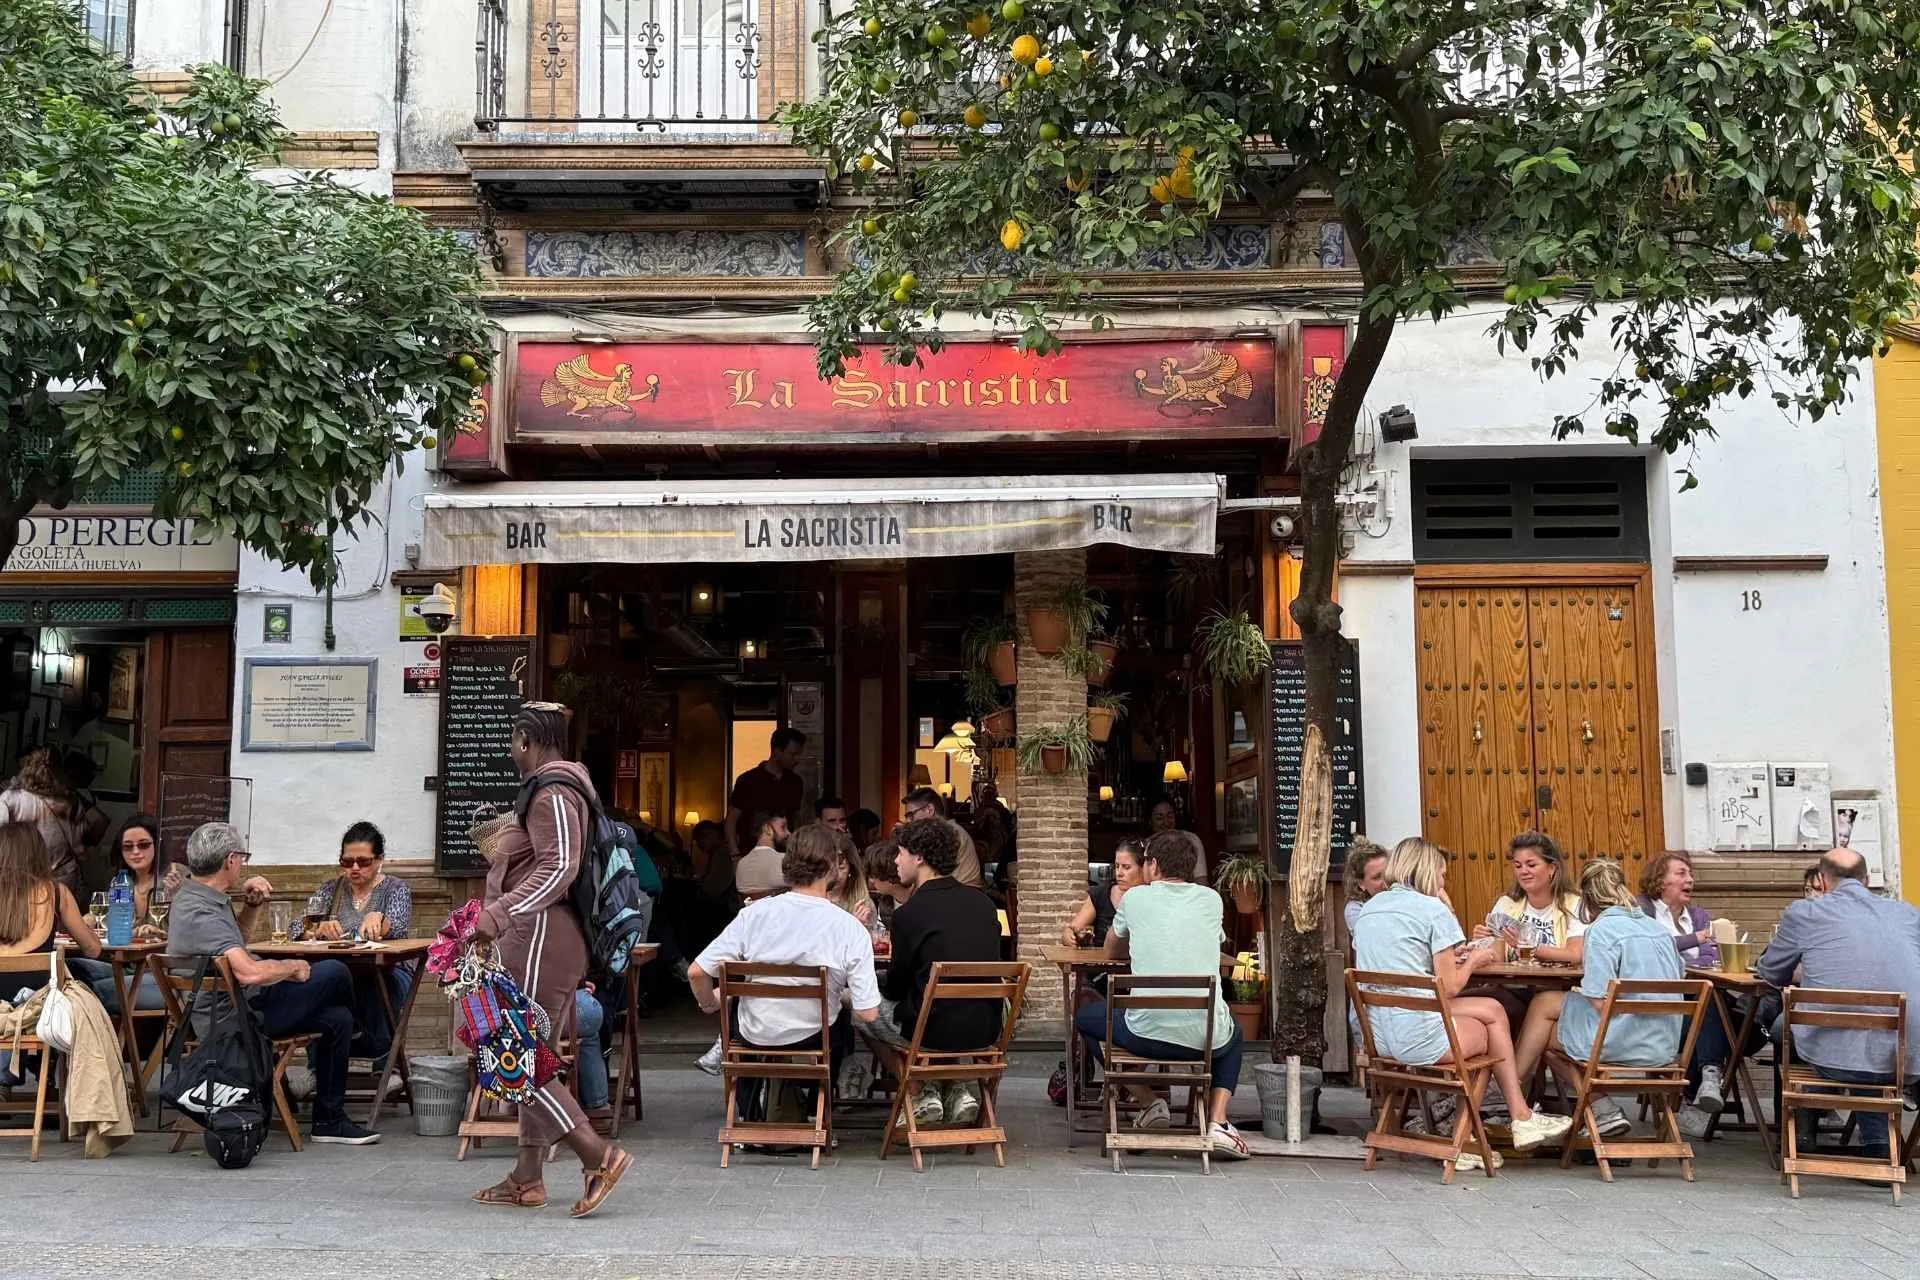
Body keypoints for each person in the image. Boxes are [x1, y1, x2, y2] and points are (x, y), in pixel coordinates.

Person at [468, 702, 631, 1215]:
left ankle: (597, 1154)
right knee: (528, 1051)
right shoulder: (554, 788)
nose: (509, 749)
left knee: (512, 1050)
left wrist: (498, 913)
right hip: (543, 934)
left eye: (512, 740)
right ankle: (526, 1177)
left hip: (541, 934)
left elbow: (560, 867)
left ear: (525, 739)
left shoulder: (553, 790)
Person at [1352, 837, 1573, 1157]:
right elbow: (1449, 987)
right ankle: (1495, 1125)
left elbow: (1399, 963)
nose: (1444, 882)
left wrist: (1451, 957)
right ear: (1428, 871)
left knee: (1493, 1008)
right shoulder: (1432, 910)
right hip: (1419, 1038)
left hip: (1382, 1038)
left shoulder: (1370, 910)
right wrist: (1473, 961)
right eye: (1442, 874)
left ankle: (1501, 1122)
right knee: (1489, 1032)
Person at [166, 821, 379, 1145]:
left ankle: (329, 1121)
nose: (242, 865)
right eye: (242, 858)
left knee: (339, 1018)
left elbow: (235, 943)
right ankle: (368, 1041)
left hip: (239, 1007)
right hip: (236, 1022)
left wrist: (252, 906)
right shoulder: (201, 912)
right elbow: (248, 972)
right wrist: (292, 967)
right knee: (335, 970)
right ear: (230, 860)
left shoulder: (198, 898)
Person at [1073, 830, 1249, 1159]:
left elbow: (1110, 950)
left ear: (1153, 865)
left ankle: (1147, 1100)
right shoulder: (1211, 899)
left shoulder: (1135, 899)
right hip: (1204, 1038)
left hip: (1146, 1035)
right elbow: (1214, 939)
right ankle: (1219, 1122)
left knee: (1084, 1016)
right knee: (1233, 1033)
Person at [689, 832, 881, 1125]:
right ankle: (818, 1113)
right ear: (831, 866)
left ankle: (749, 1118)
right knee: (840, 1022)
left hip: (755, 1033)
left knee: (739, 1009)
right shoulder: (849, 927)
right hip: (814, 1035)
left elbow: (696, 971)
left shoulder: (755, 914)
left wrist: (709, 1004)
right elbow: (868, 1013)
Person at [1756, 848, 1920, 1160]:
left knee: (1789, 1029)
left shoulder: (1805, 913)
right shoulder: (1908, 914)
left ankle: (1802, 1130)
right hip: (1906, 1053)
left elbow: (1770, 973)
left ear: (1822, 880)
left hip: (1835, 1055)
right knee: (1864, 1039)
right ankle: (1879, 1144)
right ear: (1867, 880)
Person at [1513, 859, 1685, 1139]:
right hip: (1663, 1046)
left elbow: (1598, 1000)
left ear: (1587, 900)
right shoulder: (1660, 930)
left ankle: (1511, 1099)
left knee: (1543, 1030)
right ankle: (1600, 1109)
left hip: (1623, 1042)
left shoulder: (1601, 931)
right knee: (1546, 1008)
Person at [867, 818, 1002, 1127]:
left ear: (919, 857)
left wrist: (872, 982)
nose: (896, 860)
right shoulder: (983, 904)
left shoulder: (910, 913)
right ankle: (954, 1088)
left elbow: (897, 988)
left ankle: (918, 1091)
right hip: (984, 1027)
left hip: (932, 1031)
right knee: (935, 1004)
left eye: (900, 852)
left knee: (858, 1007)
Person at [293, 822, 415, 1064]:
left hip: (387, 969)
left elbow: (399, 927)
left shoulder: (395, 889)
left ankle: (384, 1064)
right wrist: (316, 929)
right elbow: (295, 927)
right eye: (347, 862)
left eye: (363, 861)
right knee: (316, 982)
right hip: (340, 969)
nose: (355, 868)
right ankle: (318, 1066)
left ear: (379, 859)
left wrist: (380, 919)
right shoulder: (331, 889)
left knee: (375, 984)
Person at [66, 814, 167, 1014]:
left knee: (85, 994)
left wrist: (161, 933)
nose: (135, 852)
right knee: (68, 969)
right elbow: (111, 925)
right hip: (127, 966)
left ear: (157, 845)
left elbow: (186, 935)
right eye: (128, 847)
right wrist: (89, 921)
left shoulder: (172, 879)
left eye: (143, 845)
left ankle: (115, 1034)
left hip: (161, 973)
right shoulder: (121, 882)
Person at [1477, 831, 1586, 964]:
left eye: (1531, 865)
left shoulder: (1574, 904)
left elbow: (1575, 955)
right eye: (1518, 866)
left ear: (1552, 868)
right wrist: (1482, 941)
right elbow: (1498, 960)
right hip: (1513, 977)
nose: (1523, 871)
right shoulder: (1505, 904)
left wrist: (1526, 945)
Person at [0, 749, 83, 898]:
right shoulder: (71, 803)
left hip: (24, 880)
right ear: (59, 772)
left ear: (26, 769)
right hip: (63, 878)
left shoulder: (11, 799)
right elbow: (80, 849)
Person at [726, 727, 807, 859]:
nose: (797, 759)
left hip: (785, 855)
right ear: (777, 751)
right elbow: (731, 820)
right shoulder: (749, 780)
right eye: (793, 754)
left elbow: (795, 818)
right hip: (751, 853)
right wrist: (735, 854)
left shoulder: (795, 782)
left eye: (799, 754)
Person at [1060, 840, 1142, 948]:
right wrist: (1070, 936)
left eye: (1126, 867)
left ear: (1143, 868)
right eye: (1117, 866)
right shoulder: (1100, 894)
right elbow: (1071, 930)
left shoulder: (1151, 898)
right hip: (1102, 958)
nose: (1119, 873)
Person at [901, 787, 983, 888]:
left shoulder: (947, 834)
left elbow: (927, 876)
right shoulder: (949, 830)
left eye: (911, 815)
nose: (908, 821)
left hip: (962, 892)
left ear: (929, 809)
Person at [1146, 799, 1207, 881]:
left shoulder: (1191, 839)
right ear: (1150, 821)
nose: (1166, 822)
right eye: (1159, 818)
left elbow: (1201, 878)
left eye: (1170, 817)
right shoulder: (1146, 845)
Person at [735, 812, 789, 899]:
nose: (788, 833)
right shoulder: (785, 861)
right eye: (783, 827)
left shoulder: (741, 864)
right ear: (767, 828)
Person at [1342, 838, 1390, 937]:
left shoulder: (1406, 894)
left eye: (1387, 874)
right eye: (1377, 877)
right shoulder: (1355, 910)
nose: (1385, 882)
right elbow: (1378, 937)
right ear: (1361, 884)